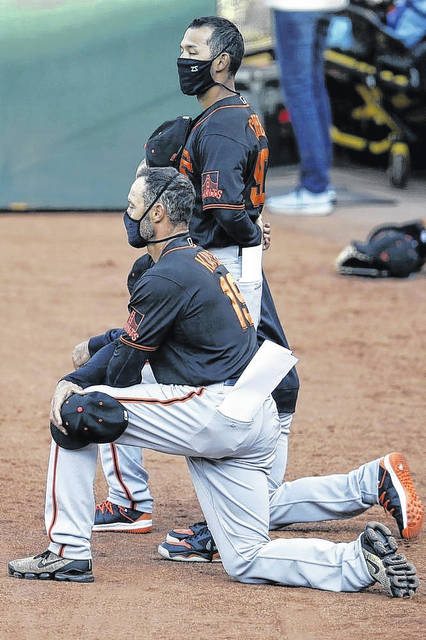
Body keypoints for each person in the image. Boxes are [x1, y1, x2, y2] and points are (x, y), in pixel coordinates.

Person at [8, 168, 420, 598]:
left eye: (133, 207)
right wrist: (104, 347)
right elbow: (144, 340)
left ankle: (67, 551)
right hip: (251, 416)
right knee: (246, 557)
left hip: (215, 413)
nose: (127, 216)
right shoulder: (201, 259)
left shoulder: (165, 276)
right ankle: (358, 561)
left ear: (159, 213)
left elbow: (122, 374)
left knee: (78, 410)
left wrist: (72, 380)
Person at [87, 15, 300, 543]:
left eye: (193, 49)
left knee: (249, 383)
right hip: (225, 260)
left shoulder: (224, 123)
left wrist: (248, 233)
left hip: (222, 264)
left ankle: (218, 507)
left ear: (222, 60)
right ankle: (143, 497)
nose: (183, 58)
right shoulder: (226, 117)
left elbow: (224, 205)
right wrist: (250, 229)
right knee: (257, 380)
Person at [265, 1, 349, 216]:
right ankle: (320, 182)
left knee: (301, 90)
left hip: (296, 6)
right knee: (313, 87)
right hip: (325, 5)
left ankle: (315, 187)